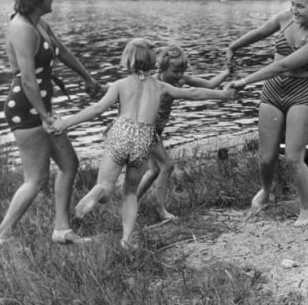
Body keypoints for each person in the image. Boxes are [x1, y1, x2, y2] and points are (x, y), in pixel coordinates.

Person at [50, 39, 235, 249]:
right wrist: (224, 95)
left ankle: (98, 192)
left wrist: (66, 122)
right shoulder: (161, 86)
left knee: (105, 185)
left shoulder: (120, 85)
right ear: (153, 61)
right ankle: (127, 240)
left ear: (127, 60)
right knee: (130, 193)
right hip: (145, 138)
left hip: (121, 132)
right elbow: (195, 93)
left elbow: (97, 109)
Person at [0, 0, 102, 245]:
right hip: (27, 108)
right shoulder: (21, 28)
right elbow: (28, 80)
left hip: (40, 106)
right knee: (36, 179)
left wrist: (87, 77)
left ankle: (62, 230)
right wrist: (45, 117)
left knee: (69, 164)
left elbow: (62, 51)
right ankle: (0, 237)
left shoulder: (38, 23)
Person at [225, 0, 308, 226]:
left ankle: (306, 208)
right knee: (266, 157)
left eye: (300, 7)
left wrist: (245, 81)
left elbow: (284, 65)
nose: (294, 10)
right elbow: (260, 32)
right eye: (292, 4)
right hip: (274, 90)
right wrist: (233, 46)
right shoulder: (285, 18)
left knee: (293, 158)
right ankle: (266, 191)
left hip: (301, 93)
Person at [135, 45, 230, 221]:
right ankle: (160, 209)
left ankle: (131, 203)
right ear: (162, 67)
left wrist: (226, 73)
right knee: (167, 166)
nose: (179, 75)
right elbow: (193, 93)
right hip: (145, 128)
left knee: (155, 170)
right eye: (175, 71)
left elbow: (208, 85)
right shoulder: (153, 82)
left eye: (182, 71)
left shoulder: (180, 80)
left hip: (156, 130)